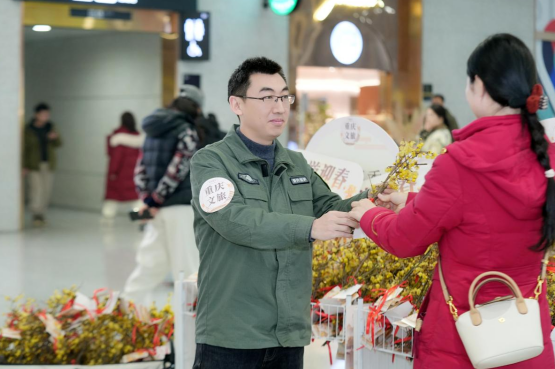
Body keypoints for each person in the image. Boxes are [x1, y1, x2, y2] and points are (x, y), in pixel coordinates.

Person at [349, 34, 555, 368]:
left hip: (463, 343)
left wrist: (369, 214)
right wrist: (411, 200)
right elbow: (483, 215)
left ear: (480, 86)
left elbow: (405, 238)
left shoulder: (461, 162)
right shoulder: (547, 155)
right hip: (527, 339)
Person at [190, 57, 369, 368]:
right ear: (237, 104)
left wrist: (374, 200)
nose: (279, 107)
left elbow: (330, 207)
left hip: (288, 335)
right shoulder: (211, 162)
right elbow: (235, 220)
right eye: (266, 97)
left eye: (284, 97)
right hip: (232, 335)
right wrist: (310, 228)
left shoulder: (296, 163)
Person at [122, 85, 203, 306]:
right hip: (180, 207)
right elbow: (179, 168)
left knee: (150, 265)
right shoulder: (186, 130)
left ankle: (126, 313)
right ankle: (192, 328)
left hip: (157, 208)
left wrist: (149, 199)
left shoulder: (152, 128)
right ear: (195, 108)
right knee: (188, 268)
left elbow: (141, 168)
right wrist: (157, 199)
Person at [23, 103, 62, 227]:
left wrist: (54, 138)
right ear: (36, 115)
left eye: (47, 114)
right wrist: (24, 165)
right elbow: (24, 149)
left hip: (48, 164)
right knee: (36, 190)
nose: (46, 117)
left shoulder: (51, 127)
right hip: (33, 164)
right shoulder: (28, 130)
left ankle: (42, 213)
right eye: (43, 114)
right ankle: (36, 214)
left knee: (46, 190)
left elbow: (59, 144)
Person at [102, 112, 144, 221]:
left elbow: (116, 159)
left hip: (120, 175)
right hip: (135, 174)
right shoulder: (138, 138)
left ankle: (107, 221)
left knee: (112, 200)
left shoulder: (118, 138)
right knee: (135, 199)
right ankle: (140, 220)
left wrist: (112, 173)